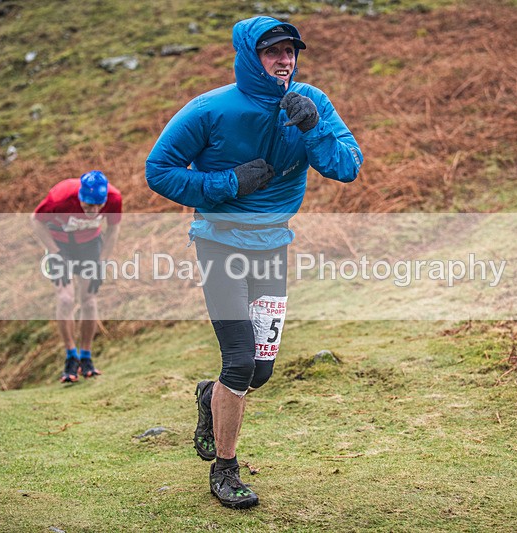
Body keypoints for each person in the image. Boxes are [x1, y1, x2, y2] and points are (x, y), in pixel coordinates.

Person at [145, 16, 362, 509]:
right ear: (250, 57)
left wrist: (314, 127)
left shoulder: (311, 102)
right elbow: (158, 171)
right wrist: (227, 185)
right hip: (219, 244)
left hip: (272, 249)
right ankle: (225, 469)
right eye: (273, 52)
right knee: (239, 359)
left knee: (259, 372)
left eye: (291, 51)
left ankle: (210, 397)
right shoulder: (211, 109)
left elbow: (347, 167)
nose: (285, 60)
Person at [31, 170, 122, 383]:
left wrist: (102, 262)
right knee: (65, 298)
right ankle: (71, 355)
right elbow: (35, 221)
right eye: (88, 206)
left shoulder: (114, 198)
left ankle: (86, 356)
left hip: (90, 245)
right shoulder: (61, 196)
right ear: (80, 197)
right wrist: (55, 253)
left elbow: (113, 229)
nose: (94, 211)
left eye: (99, 206)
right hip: (60, 243)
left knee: (89, 300)